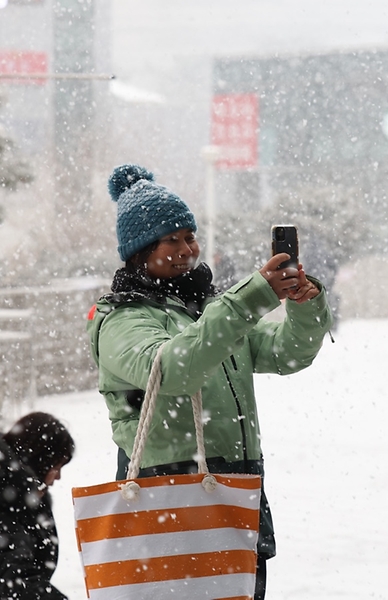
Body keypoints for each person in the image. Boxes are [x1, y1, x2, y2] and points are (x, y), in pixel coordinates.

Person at [87, 164, 334, 599]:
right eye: (172, 239)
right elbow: (172, 369)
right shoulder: (123, 318)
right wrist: (249, 297)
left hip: (234, 486)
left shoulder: (207, 309)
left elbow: (286, 353)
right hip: (167, 493)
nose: (188, 249)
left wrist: (304, 306)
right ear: (141, 249)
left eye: (190, 236)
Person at [0, 412, 75, 599]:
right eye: (56, 467)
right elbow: (12, 576)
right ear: (38, 459)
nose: (58, 477)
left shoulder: (22, 499)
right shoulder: (9, 501)